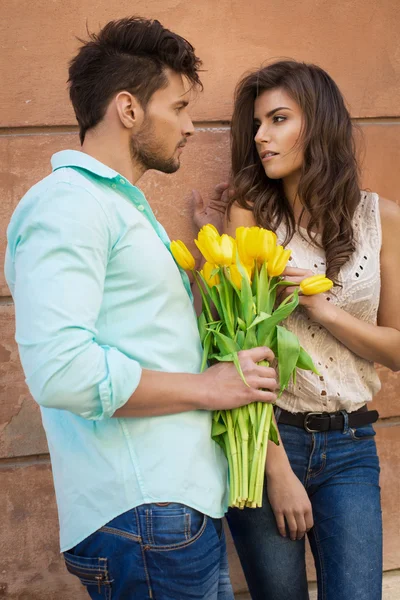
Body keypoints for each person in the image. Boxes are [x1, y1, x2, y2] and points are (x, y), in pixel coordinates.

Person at [4, 18, 279, 600]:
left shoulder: (118, 207)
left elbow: (147, 338)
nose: (189, 125)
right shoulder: (70, 206)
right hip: (145, 518)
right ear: (128, 109)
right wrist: (209, 388)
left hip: (168, 513)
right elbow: (62, 371)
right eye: (178, 106)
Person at [193, 60, 400, 600]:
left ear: (320, 123)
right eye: (257, 124)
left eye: (278, 119)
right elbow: (239, 349)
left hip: (352, 445)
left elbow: (398, 348)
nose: (261, 136)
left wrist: (324, 309)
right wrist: (275, 469)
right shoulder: (250, 216)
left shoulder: (384, 219)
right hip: (270, 439)